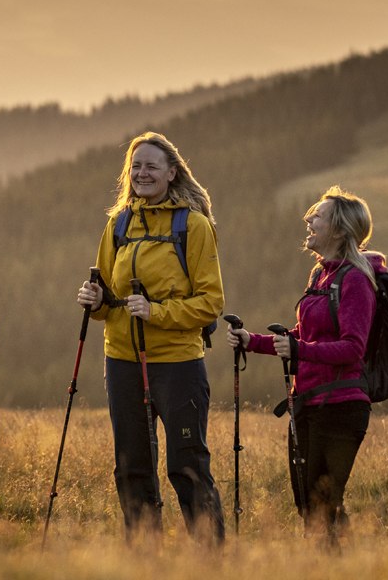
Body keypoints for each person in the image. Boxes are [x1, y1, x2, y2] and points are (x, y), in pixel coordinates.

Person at [75, 131, 225, 542]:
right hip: (121, 359)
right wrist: (95, 300)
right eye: (135, 166)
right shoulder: (119, 223)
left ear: (172, 173)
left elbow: (210, 303)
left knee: (187, 463)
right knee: (131, 466)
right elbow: (108, 295)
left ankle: (210, 562)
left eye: (151, 166)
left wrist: (155, 311)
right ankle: (144, 558)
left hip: (177, 364)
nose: (142, 174)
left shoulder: (193, 226)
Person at [225, 186, 383, 547]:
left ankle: (341, 564)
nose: (308, 220)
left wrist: (298, 349)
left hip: (341, 406)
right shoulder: (320, 276)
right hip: (309, 403)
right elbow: (304, 336)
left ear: (340, 230)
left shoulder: (356, 280)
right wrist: (255, 341)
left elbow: (351, 348)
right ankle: (340, 564)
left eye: (318, 216)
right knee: (307, 504)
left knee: (322, 505)